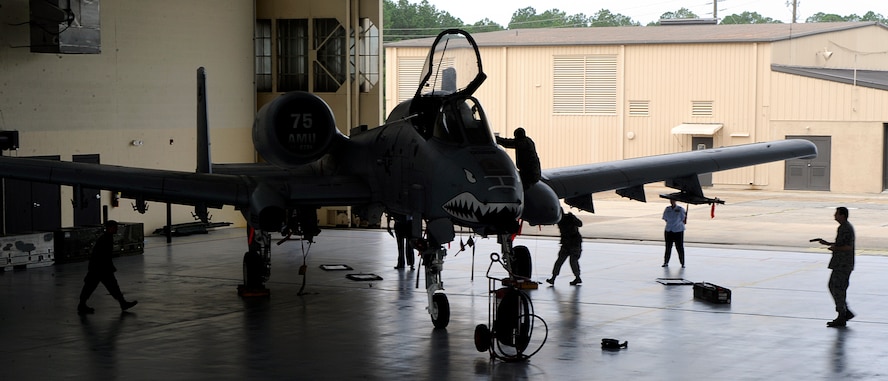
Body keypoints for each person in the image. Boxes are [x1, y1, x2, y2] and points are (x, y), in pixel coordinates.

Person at [77, 220, 138, 314]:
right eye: (115, 227)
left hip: (99, 268)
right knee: (107, 286)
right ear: (110, 228)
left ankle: (82, 305)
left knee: (91, 286)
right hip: (100, 268)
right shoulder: (106, 239)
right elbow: (103, 255)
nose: (116, 229)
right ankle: (122, 303)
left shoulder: (106, 238)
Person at [816, 207, 855, 328]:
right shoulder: (843, 227)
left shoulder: (846, 228)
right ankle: (844, 311)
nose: (834, 216)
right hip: (839, 263)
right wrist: (828, 243)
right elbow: (842, 243)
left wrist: (835, 248)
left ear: (842, 215)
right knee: (834, 286)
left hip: (843, 264)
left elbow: (848, 247)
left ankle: (842, 315)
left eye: (836, 214)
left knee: (838, 288)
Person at [546, 211, 583, 286]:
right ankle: (553, 278)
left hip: (574, 243)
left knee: (572, 262)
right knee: (560, 261)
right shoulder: (559, 220)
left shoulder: (569, 217)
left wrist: (573, 218)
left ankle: (577, 278)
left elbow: (580, 224)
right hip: (567, 244)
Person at [662, 199, 687, 268]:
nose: (672, 202)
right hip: (669, 229)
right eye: (671, 200)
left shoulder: (680, 209)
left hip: (678, 230)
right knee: (668, 247)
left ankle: (682, 263)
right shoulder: (667, 209)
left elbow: (683, 219)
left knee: (679, 247)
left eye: (673, 200)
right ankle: (666, 262)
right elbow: (665, 218)